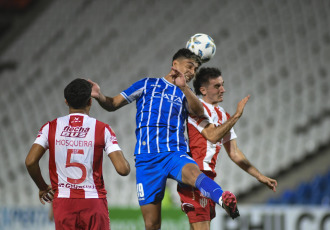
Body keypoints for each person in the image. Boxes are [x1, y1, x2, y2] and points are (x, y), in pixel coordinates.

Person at [89, 48, 240, 230]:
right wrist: (99, 96)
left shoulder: (186, 93)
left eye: (195, 69)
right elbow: (112, 104)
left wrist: (184, 87)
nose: (192, 72)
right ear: (175, 64)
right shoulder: (146, 84)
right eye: (189, 66)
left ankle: (223, 198)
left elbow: (199, 111)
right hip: (147, 159)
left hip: (174, 153)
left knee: (194, 173)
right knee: (152, 225)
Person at [177, 67, 278, 230]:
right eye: (217, 86)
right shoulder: (196, 108)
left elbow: (235, 153)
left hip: (208, 178)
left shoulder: (223, 114)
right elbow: (212, 136)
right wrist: (237, 116)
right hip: (195, 175)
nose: (223, 89)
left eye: (222, 85)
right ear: (203, 90)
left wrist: (260, 176)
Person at [25, 78, 130, 230]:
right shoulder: (102, 129)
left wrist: (42, 187)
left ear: (66, 102)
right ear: (90, 102)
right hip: (93, 202)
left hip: (64, 203)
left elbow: (30, 162)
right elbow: (123, 169)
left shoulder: (50, 127)